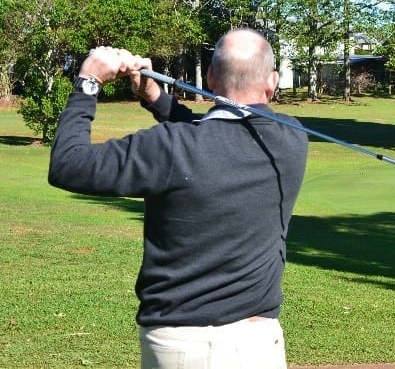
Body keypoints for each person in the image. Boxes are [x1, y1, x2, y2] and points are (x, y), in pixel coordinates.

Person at [48, 28, 309, 369]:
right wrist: (156, 97)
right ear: (272, 82)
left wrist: (88, 81)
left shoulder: (168, 147)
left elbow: (68, 165)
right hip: (259, 345)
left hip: (178, 346)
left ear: (211, 78)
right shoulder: (292, 138)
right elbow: (219, 133)